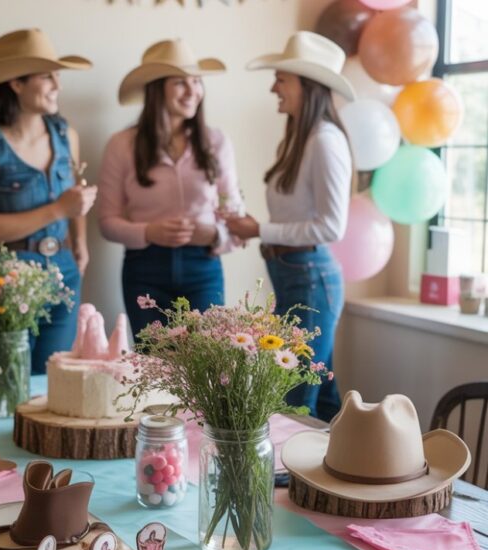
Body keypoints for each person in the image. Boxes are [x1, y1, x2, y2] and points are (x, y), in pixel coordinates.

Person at [222, 32, 355, 420]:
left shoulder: (325, 141)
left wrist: (259, 230)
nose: (273, 87)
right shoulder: (301, 139)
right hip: (295, 275)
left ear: (306, 86)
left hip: (310, 278)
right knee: (320, 395)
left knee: (296, 398)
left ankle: (293, 479)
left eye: (281, 79)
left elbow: (331, 227)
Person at [0, 28, 97, 373]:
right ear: (16, 83)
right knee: (13, 380)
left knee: (55, 378)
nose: (58, 86)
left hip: (65, 269)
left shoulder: (66, 135)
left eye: (58, 76)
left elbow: (75, 197)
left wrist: (80, 243)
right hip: (11, 275)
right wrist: (58, 209)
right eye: (47, 77)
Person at [99, 38, 242, 338]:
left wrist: (216, 234)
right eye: (180, 82)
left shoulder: (217, 142)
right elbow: (107, 223)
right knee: (153, 371)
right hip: (144, 269)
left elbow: (235, 217)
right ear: (156, 88)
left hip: (203, 268)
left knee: (206, 372)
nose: (193, 91)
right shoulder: (121, 144)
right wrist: (148, 232)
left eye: (197, 81)